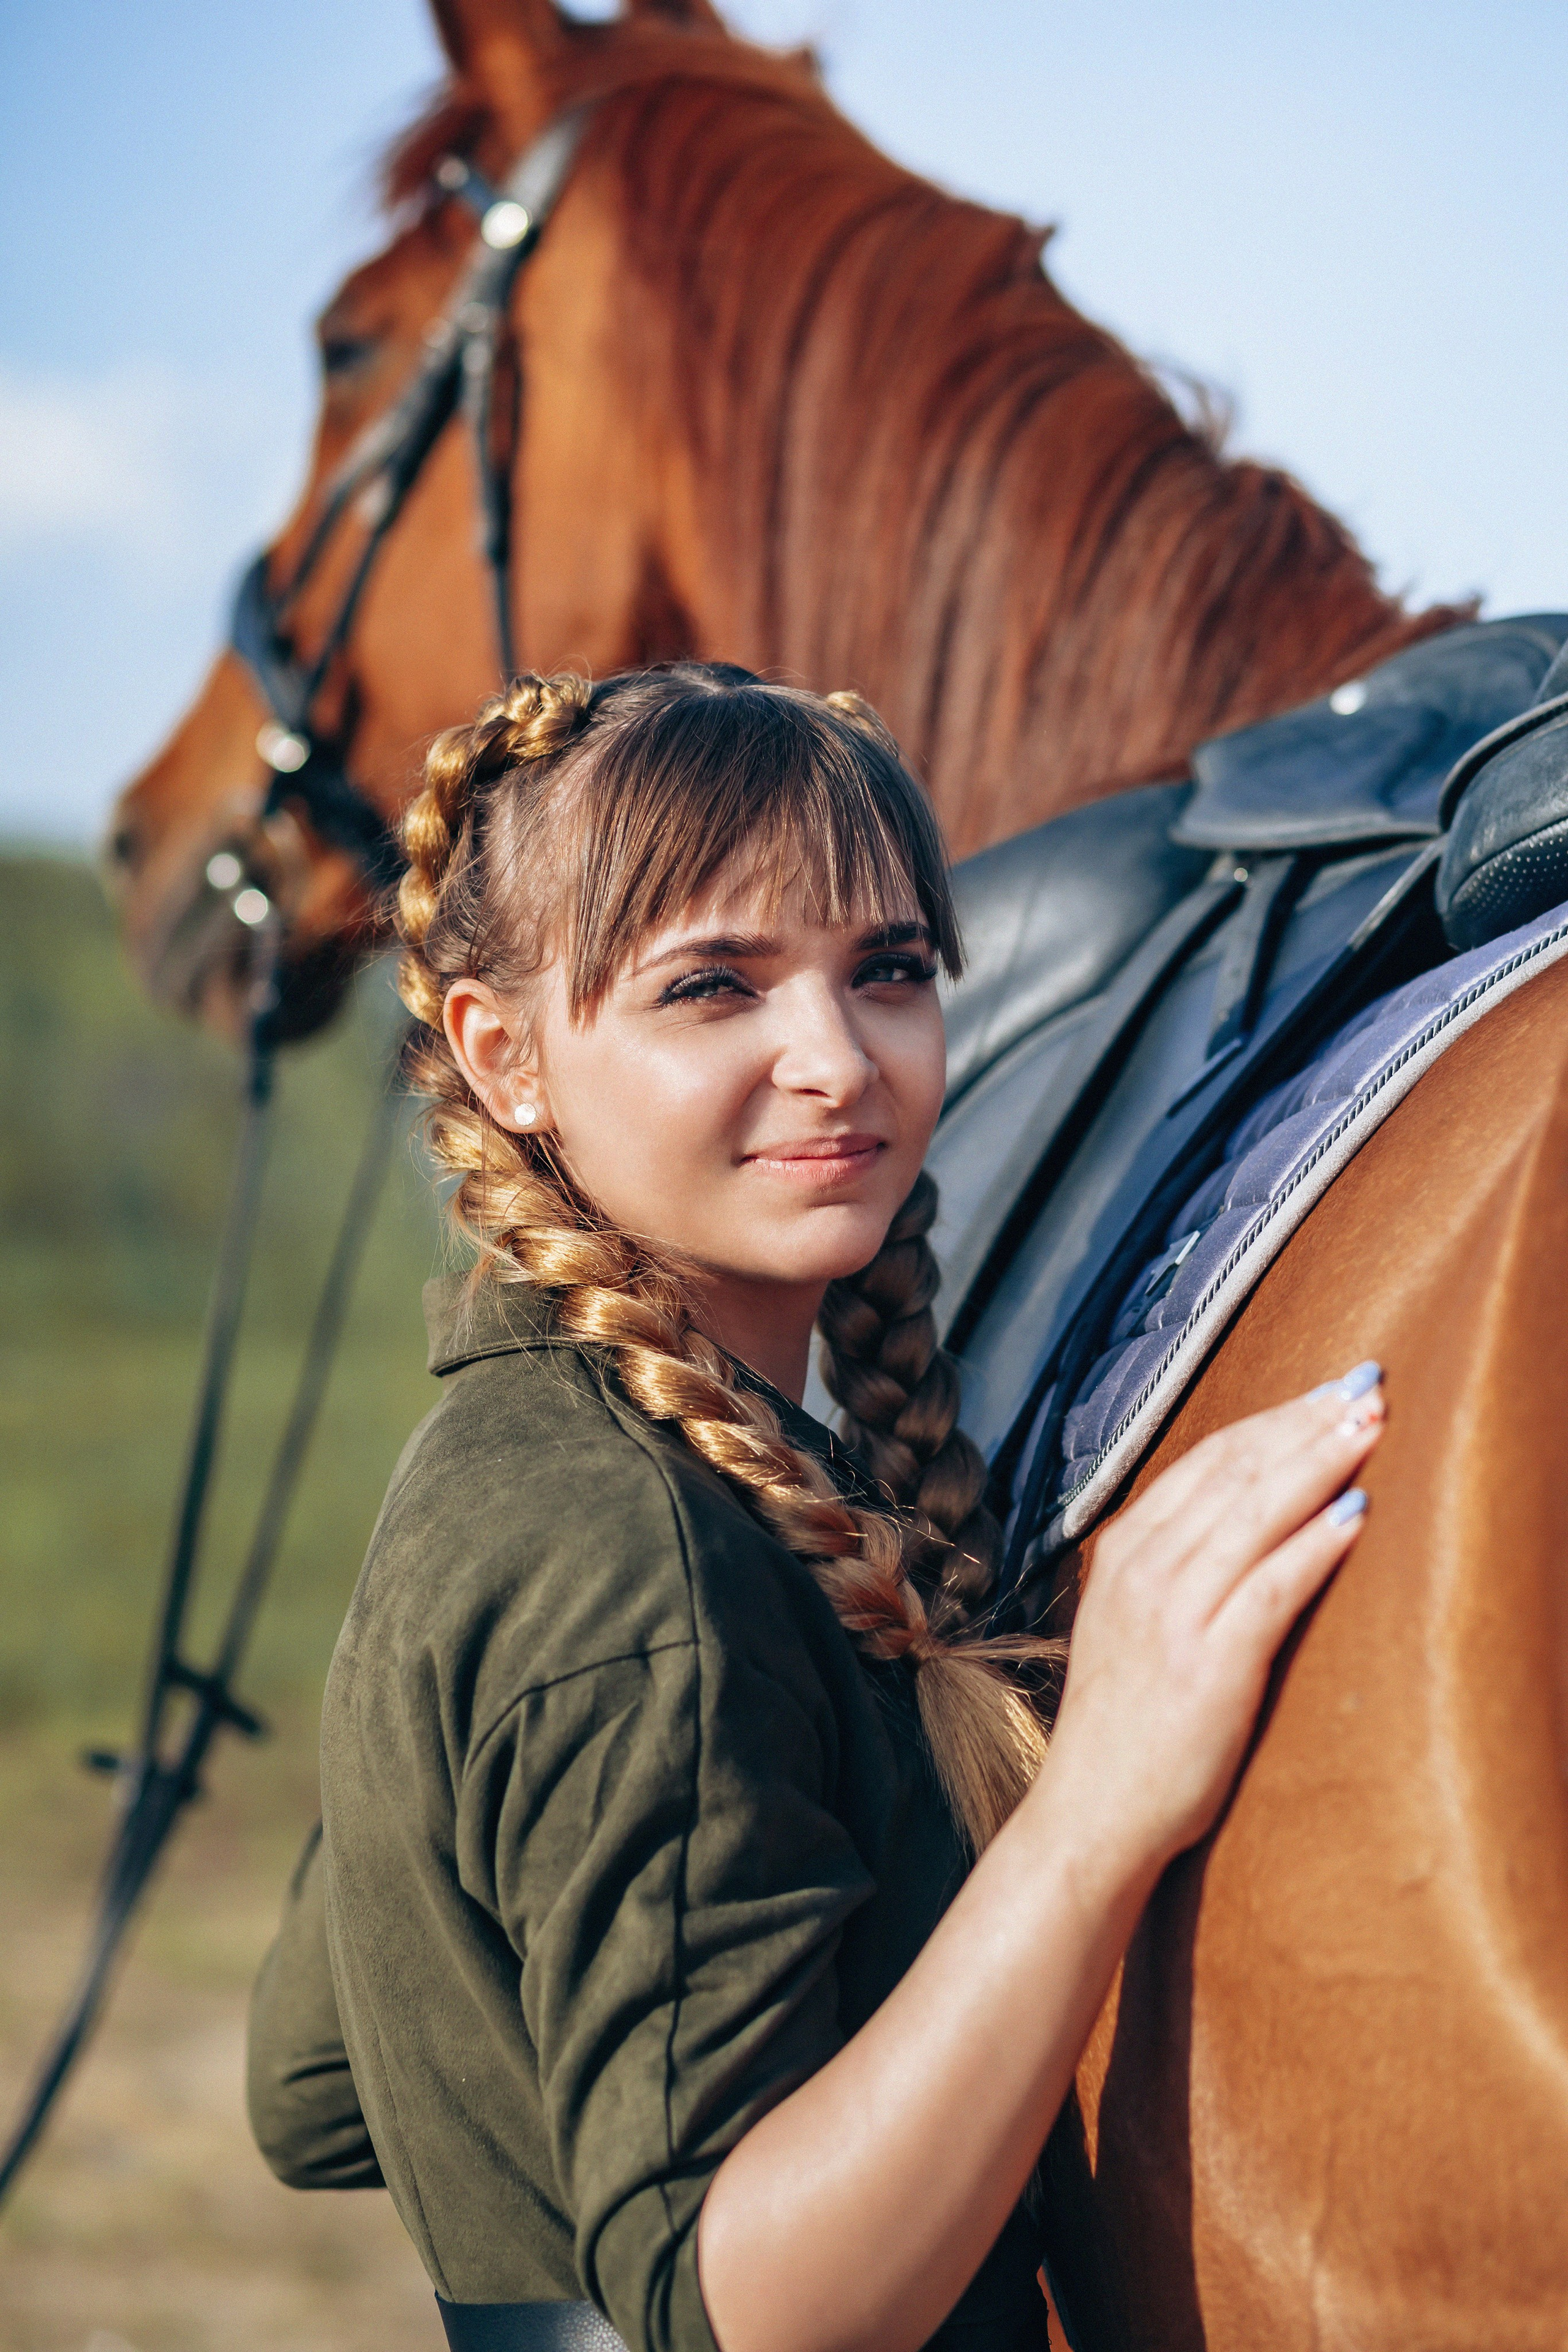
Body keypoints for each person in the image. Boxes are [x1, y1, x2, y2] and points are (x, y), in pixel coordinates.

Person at [247, 663, 1383, 2352]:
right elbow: (751, 2309)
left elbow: (319, 2079)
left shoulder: (551, 1465)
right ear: (507, 1059)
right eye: (714, 987)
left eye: (891, 972)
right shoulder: (626, 1554)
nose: (837, 1060)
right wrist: (1099, 1812)